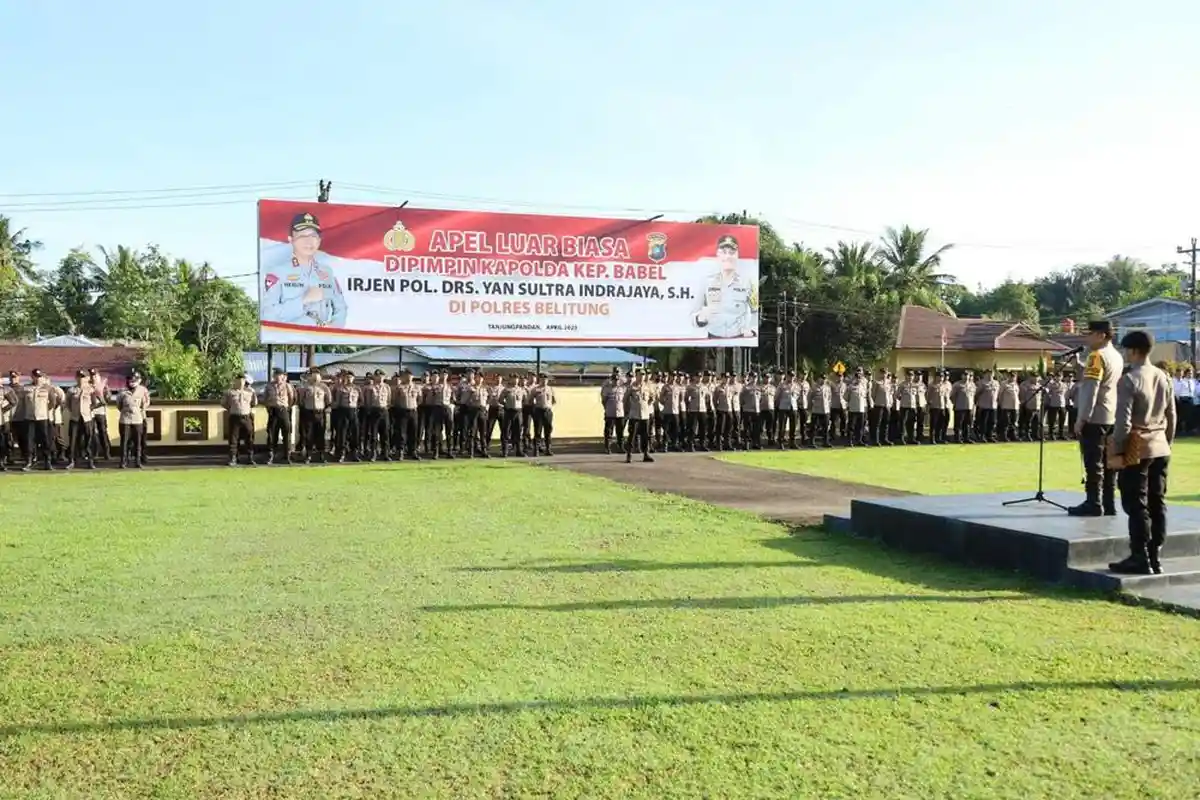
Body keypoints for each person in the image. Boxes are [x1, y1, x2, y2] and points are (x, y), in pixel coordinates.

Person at [1107, 330, 1175, 574]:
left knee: (1136, 504)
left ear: (1133, 351)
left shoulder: (1129, 379)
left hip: (1138, 446)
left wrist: (1118, 451)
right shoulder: (1163, 376)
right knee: (1158, 502)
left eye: (1126, 350)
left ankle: (1140, 556)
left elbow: (1123, 423)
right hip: (1160, 445)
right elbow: (1171, 415)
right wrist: (1168, 442)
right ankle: (1155, 555)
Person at [1068, 320, 1124, 517]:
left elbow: (1092, 388)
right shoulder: (1116, 356)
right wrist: (1079, 367)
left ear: (1101, 335)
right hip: (1111, 415)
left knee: (1093, 463)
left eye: (1089, 333)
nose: (1086, 337)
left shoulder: (1096, 356)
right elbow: (1100, 378)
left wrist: (1082, 418)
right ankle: (1108, 503)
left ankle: (1093, 502)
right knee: (1109, 464)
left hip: (1095, 417)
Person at [261, 212, 348, 328]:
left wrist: (334, 328)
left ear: (319, 240)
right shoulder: (277, 273)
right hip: (290, 339)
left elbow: (341, 308)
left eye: (313, 236)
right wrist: (303, 300)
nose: (309, 241)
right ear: (291, 240)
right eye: (302, 236)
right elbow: (268, 315)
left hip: (321, 340)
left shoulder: (327, 273)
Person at [692, 234, 758, 339]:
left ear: (737, 255)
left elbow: (756, 311)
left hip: (739, 339)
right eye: (724, 252)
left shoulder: (747, 283)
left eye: (732, 253)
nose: (728, 257)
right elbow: (693, 315)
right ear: (718, 255)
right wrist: (701, 318)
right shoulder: (706, 283)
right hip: (712, 340)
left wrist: (753, 330)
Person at [65, 369, 99, 470]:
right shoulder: (71, 390)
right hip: (75, 418)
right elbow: (68, 404)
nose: (81, 379)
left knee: (88, 440)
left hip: (87, 418)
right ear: (76, 378)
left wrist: (88, 411)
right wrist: (74, 411)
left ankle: (90, 461)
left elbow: (94, 403)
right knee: (73, 441)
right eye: (79, 377)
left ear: (87, 378)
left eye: (83, 377)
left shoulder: (91, 390)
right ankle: (71, 461)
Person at [222, 374, 258, 466]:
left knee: (249, 438)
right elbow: (224, 403)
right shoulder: (229, 392)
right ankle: (234, 458)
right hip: (234, 417)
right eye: (239, 380)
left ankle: (250, 457)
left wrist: (245, 409)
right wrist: (233, 409)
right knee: (233, 439)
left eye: (243, 380)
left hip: (246, 417)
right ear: (235, 381)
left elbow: (254, 403)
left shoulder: (250, 391)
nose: (241, 382)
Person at [116, 373, 149, 469]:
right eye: (130, 381)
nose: (132, 383)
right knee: (124, 442)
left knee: (138, 442)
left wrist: (139, 411)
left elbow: (145, 403)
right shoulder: (122, 392)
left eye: (134, 381)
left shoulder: (142, 391)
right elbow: (119, 405)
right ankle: (123, 462)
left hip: (137, 419)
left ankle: (137, 461)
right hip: (125, 420)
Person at [623, 371, 655, 463]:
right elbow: (625, 400)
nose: (641, 377)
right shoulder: (631, 387)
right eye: (640, 375)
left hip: (645, 415)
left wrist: (647, 405)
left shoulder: (647, 387)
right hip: (634, 415)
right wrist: (627, 411)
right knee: (632, 436)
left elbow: (653, 397)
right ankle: (629, 454)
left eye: (643, 375)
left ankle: (646, 454)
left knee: (645, 435)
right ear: (636, 376)